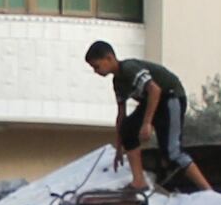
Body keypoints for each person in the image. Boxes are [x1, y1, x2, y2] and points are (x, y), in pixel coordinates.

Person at [89, 39, 210, 192]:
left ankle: (208, 190)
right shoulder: (118, 83)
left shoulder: (129, 68)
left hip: (171, 97)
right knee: (128, 128)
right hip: (153, 102)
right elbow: (121, 116)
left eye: (96, 66)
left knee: (173, 152)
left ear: (109, 58)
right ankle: (138, 181)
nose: (96, 71)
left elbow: (155, 90)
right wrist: (119, 147)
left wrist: (147, 123)